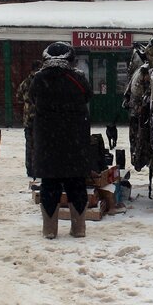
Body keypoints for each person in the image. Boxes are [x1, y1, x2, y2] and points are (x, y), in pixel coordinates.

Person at [28, 43, 92, 239]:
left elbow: (31, 98)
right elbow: (88, 96)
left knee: (49, 184)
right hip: (75, 141)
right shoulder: (78, 78)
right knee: (77, 184)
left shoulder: (39, 79)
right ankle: (78, 227)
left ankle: (49, 229)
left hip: (48, 141)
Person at [17, 60, 42, 178]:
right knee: (41, 144)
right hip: (41, 117)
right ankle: (39, 168)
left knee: (29, 144)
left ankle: (30, 168)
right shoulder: (43, 81)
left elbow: (19, 97)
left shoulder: (25, 82)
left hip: (28, 117)